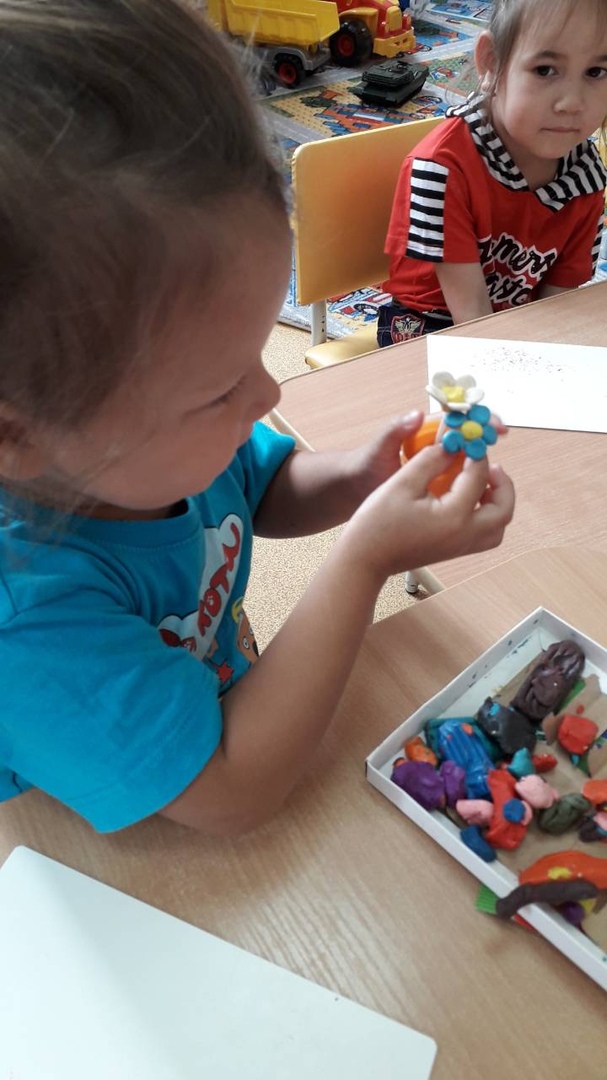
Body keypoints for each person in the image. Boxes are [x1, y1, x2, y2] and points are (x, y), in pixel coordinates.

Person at [0, 0, 515, 837]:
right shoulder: (26, 620)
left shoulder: (152, 447)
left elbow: (263, 488)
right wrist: (364, 560)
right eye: (218, 389)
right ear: (16, 434)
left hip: (215, 709)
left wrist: (362, 476)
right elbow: (230, 792)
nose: (268, 395)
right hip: (110, 857)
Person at [377, 0, 607, 347]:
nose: (572, 103)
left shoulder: (585, 177)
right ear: (491, 62)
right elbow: (472, 316)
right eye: (545, 70)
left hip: (517, 321)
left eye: (596, 72)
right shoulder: (441, 167)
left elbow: (558, 306)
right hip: (430, 323)